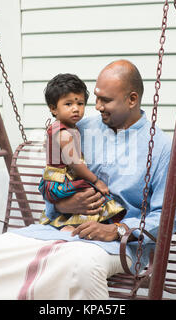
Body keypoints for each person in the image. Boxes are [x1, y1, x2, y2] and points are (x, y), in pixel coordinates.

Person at [0, 60, 176, 300]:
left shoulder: (160, 148)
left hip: (118, 245)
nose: (95, 106)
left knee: (82, 266)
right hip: (61, 229)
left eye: (105, 100)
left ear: (132, 100)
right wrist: (62, 204)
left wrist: (116, 230)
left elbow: (167, 217)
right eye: (95, 98)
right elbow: (52, 181)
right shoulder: (77, 129)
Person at [38, 73, 125, 232]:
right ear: (53, 108)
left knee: (87, 195)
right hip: (59, 183)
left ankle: (72, 223)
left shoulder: (62, 127)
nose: (76, 109)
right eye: (68, 104)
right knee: (93, 191)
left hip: (58, 179)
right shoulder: (64, 133)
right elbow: (76, 164)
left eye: (80, 103)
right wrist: (97, 180)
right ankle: (72, 225)